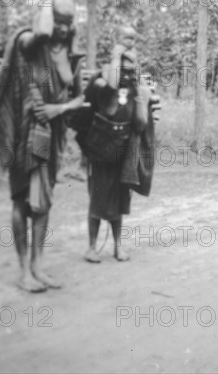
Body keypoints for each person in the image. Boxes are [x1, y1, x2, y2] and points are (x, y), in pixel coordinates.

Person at [0, 0, 84, 292]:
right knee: (22, 200)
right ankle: (24, 269)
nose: (64, 30)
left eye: (69, 25)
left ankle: (39, 266)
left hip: (50, 135)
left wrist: (59, 108)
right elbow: (40, 32)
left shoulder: (69, 57)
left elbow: (78, 100)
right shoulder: (31, 41)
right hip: (24, 133)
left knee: (44, 201)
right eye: (60, 22)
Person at [76, 25, 156, 263]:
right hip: (101, 147)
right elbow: (111, 85)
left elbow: (141, 124)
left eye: (133, 38)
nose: (130, 42)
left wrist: (141, 96)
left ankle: (118, 246)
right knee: (98, 198)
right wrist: (116, 55)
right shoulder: (103, 78)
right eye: (125, 38)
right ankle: (91, 247)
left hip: (124, 148)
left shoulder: (136, 86)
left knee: (121, 199)